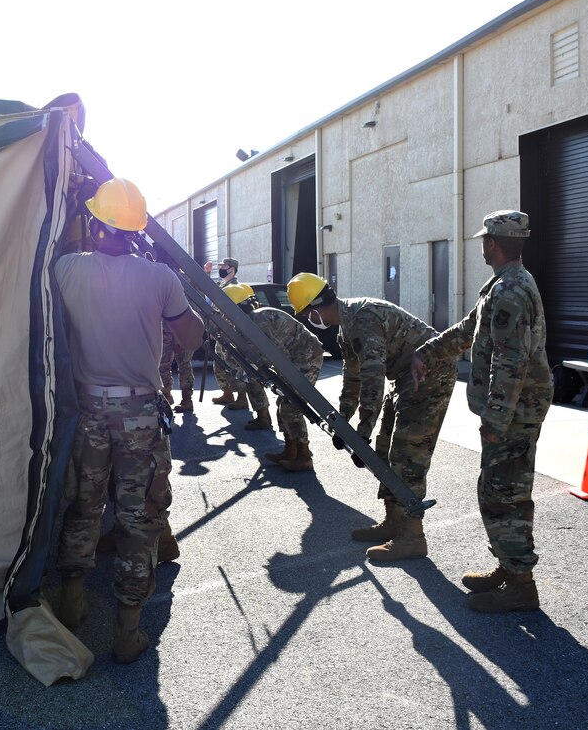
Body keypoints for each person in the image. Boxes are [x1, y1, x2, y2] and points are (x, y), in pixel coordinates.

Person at [53, 178, 204, 662]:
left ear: (94, 224)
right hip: (139, 411)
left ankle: (73, 601)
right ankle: (127, 631)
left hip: (86, 408)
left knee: (83, 505)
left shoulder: (65, 270)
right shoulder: (159, 278)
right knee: (140, 519)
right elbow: (192, 339)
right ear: (137, 229)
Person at [412, 210, 551, 613]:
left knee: (503, 493)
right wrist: (427, 352)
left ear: (493, 242)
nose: (481, 246)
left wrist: (494, 420)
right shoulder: (502, 286)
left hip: (514, 412)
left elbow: (512, 363)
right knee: (501, 489)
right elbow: (467, 331)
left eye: (483, 240)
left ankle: (521, 584)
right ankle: (509, 567)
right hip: (516, 409)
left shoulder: (509, 290)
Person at [298, 274, 457, 561]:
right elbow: (353, 376)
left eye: (308, 313)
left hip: (430, 375)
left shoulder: (363, 318)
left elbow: (373, 377)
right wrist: (342, 419)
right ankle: (394, 521)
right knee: (384, 447)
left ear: (315, 308)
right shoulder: (346, 327)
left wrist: (362, 431)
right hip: (404, 377)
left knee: (408, 451)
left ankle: (412, 537)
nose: (311, 319)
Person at [224, 282, 325, 471]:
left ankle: (303, 455)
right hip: (295, 357)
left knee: (291, 406)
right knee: (284, 403)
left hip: (306, 356)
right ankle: (291, 450)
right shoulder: (249, 322)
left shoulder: (258, 320)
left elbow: (278, 354)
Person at [210, 258, 248, 410]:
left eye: (224, 267)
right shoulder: (223, 285)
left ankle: (242, 397)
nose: (221, 269)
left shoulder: (235, 286)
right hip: (221, 331)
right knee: (219, 363)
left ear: (232, 268)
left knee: (235, 365)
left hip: (231, 333)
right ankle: (227, 393)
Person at [159, 321, 197, 413]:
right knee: (162, 365)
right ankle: (166, 396)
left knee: (184, 365)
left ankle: (187, 400)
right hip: (164, 330)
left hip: (181, 329)